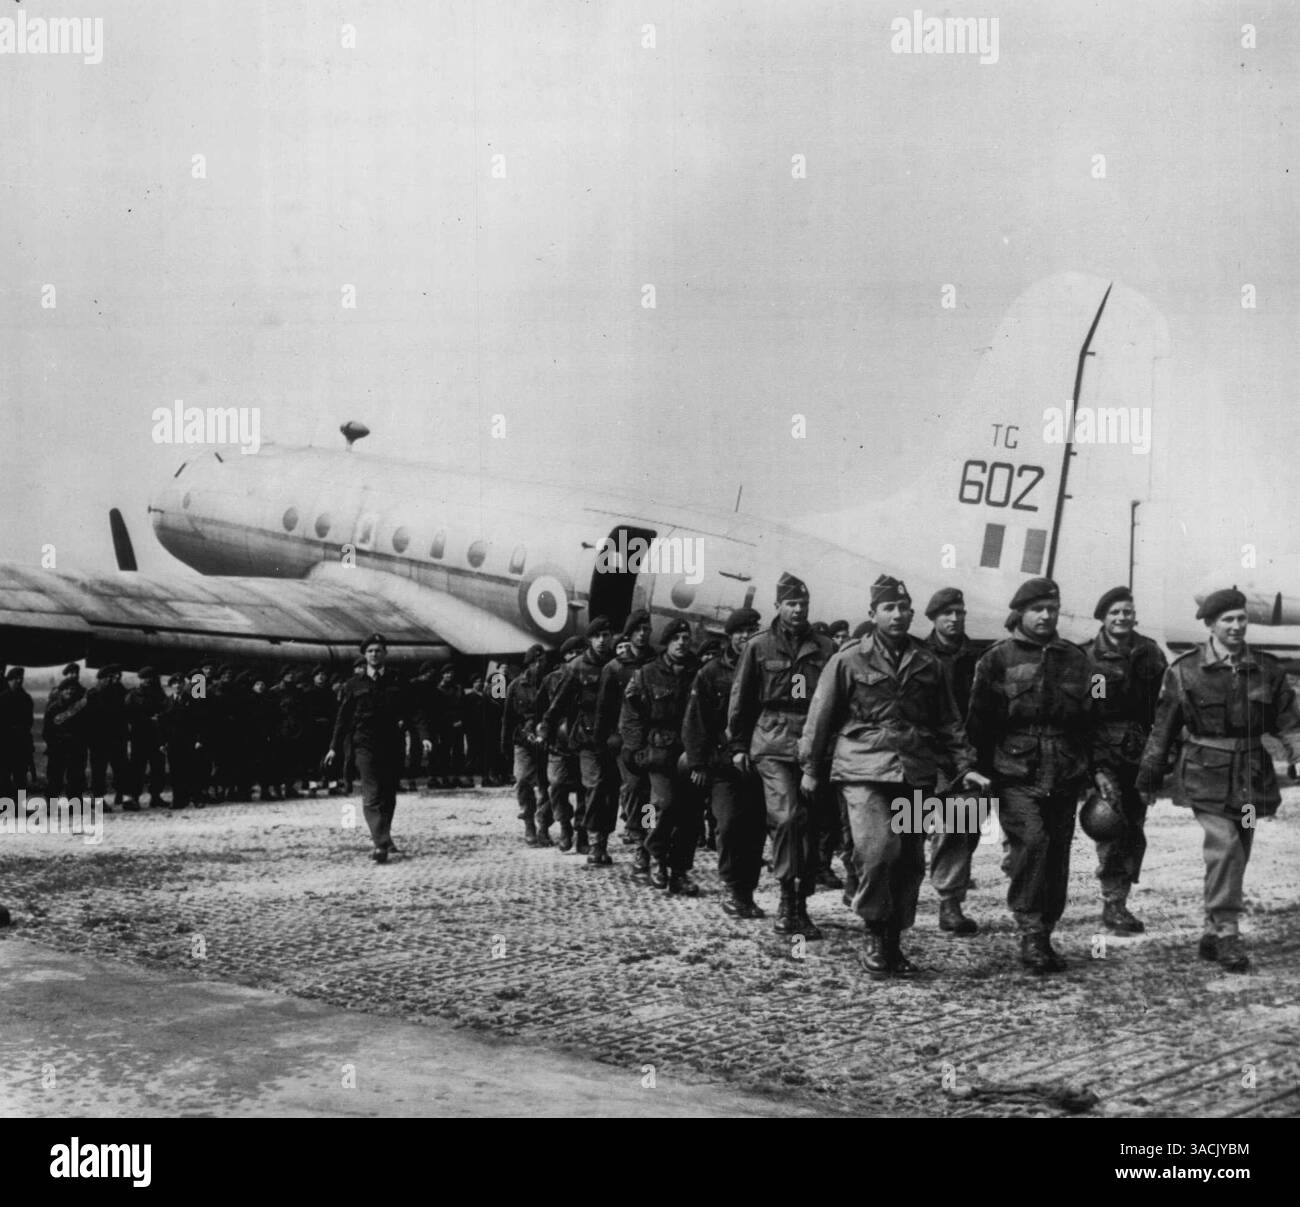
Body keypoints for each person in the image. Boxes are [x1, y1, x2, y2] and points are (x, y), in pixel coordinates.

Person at [801, 577, 988, 977]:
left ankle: (892, 940)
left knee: (907, 861)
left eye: (904, 608)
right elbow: (821, 717)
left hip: (914, 770)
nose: (898, 615)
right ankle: (872, 929)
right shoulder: (849, 660)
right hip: (863, 768)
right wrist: (811, 769)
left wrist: (966, 765)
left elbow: (948, 721)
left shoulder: (927, 663)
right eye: (889, 608)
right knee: (877, 850)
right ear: (873, 614)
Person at [1137, 588, 1300, 972]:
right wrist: (1148, 777)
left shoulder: (1267, 669)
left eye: (1241, 619)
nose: (1237, 626)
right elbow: (1162, 730)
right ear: (1210, 625)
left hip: (1251, 781)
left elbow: (1290, 724)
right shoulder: (1185, 671)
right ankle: (1228, 932)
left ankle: (1211, 931)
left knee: (1239, 849)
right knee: (1224, 847)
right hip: (1204, 776)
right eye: (1228, 620)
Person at [966, 578, 1113, 973]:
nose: (1047, 616)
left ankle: (1044, 931)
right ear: (1020, 613)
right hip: (1014, 771)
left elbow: (1094, 720)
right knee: (1033, 843)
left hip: (1064, 771)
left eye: (1052, 608)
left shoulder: (1079, 661)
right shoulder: (996, 660)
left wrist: (1098, 769)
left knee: (1056, 855)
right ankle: (1030, 931)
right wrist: (972, 771)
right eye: (1038, 609)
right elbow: (978, 721)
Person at [728, 572, 836, 938]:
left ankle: (799, 905)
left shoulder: (825, 648)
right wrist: (738, 745)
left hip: (811, 743)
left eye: (803, 604)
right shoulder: (759, 646)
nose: (798, 610)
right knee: (787, 817)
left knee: (809, 824)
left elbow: (834, 702)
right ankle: (788, 902)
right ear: (777, 606)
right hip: (771, 741)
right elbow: (741, 699)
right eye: (791, 603)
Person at [1079, 585, 1168, 934]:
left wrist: (1161, 757)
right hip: (1105, 754)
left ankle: (1120, 900)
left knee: (1134, 828)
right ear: (1103, 617)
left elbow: (1165, 709)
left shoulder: (1150, 654)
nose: (1121, 618)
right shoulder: (1091, 659)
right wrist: (1096, 767)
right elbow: (1090, 713)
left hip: (1141, 752)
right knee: (1109, 825)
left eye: (1127, 612)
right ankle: (1112, 903)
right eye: (1115, 613)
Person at [683, 606, 766, 917]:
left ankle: (747, 891)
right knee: (729, 824)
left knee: (755, 829)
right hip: (723, 764)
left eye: (751, 630)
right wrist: (698, 764)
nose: (745, 637)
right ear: (730, 636)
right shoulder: (711, 673)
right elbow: (696, 721)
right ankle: (733, 887)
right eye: (740, 632)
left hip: (758, 762)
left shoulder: (766, 669)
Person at [325, 634, 432, 863]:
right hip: (365, 745)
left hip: (392, 743)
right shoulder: (353, 685)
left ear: (385, 653)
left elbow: (415, 711)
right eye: (370, 651)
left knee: (388, 794)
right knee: (372, 794)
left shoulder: (397, 681)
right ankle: (380, 844)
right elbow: (342, 719)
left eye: (378, 650)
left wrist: (423, 737)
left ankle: (384, 834)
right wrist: (334, 747)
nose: (374, 654)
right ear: (365, 655)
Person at [620, 618, 700, 893]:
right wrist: (633, 749)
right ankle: (655, 857)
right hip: (658, 752)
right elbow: (630, 715)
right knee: (661, 805)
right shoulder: (646, 674)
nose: (681, 643)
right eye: (676, 639)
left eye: (686, 639)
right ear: (666, 643)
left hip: (690, 754)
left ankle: (679, 871)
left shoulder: (698, 673)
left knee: (690, 815)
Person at [923, 587, 984, 935]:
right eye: (947, 613)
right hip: (926, 754)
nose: (954, 619)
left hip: (967, 755)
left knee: (965, 827)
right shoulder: (919, 655)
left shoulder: (978, 658)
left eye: (959, 612)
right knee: (918, 825)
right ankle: (947, 901)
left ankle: (950, 899)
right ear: (933, 618)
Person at [541, 617, 617, 863]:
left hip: (615, 740)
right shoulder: (577, 667)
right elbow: (559, 702)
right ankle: (594, 842)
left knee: (611, 792)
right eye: (598, 636)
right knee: (593, 787)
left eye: (607, 635)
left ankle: (604, 838)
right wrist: (547, 726)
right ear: (590, 640)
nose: (603, 641)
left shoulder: (617, 665)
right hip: (587, 738)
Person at [597, 611, 655, 851]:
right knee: (632, 787)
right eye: (637, 631)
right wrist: (604, 739)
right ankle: (635, 830)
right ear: (629, 634)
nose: (642, 635)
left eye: (646, 630)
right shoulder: (614, 668)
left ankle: (646, 836)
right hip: (625, 738)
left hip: (653, 737)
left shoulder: (657, 662)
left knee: (652, 791)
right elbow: (604, 708)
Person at [533, 637, 586, 847]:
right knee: (556, 785)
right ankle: (564, 824)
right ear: (566, 656)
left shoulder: (592, 675)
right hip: (558, 743)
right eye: (575, 653)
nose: (580, 657)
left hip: (583, 741)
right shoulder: (552, 680)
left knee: (585, 789)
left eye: (583, 651)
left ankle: (582, 832)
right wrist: (542, 733)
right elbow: (541, 711)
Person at [500, 645, 547, 845]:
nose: (541, 665)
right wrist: (505, 744)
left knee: (548, 785)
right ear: (531, 663)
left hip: (546, 740)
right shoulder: (515, 686)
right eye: (537, 662)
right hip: (523, 741)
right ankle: (528, 820)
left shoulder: (549, 682)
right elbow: (507, 718)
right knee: (522, 781)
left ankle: (544, 826)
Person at [44, 663, 89, 800]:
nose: (69, 691)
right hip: (58, 746)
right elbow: (47, 730)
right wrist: (53, 745)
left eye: (72, 689)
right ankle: (51, 804)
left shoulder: (80, 705)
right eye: (66, 689)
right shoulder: (53, 708)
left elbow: (85, 726)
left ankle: (75, 804)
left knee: (76, 776)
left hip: (76, 746)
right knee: (55, 777)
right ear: (61, 691)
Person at [124, 666, 167, 809]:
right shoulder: (133, 695)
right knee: (137, 768)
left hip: (156, 737)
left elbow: (166, 710)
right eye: (144, 678)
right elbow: (129, 715)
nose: (147, 681)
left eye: (150, 678)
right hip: (140, 736)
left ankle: (156, 796)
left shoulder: (160, 694)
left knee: (158, 767)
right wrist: (148, 720)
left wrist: (160, 718)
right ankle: (133, 798)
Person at [0, 667, 35, 797]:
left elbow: (29, 722)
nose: (19, 681)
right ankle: (5, 807)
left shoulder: (26, 699)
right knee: (4, 777)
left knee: (21, 779)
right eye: (15, 679)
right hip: (5, 744)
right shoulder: (2, 699)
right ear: (9, 681)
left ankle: (19, 808)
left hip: (21, 744)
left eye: (21, 678)